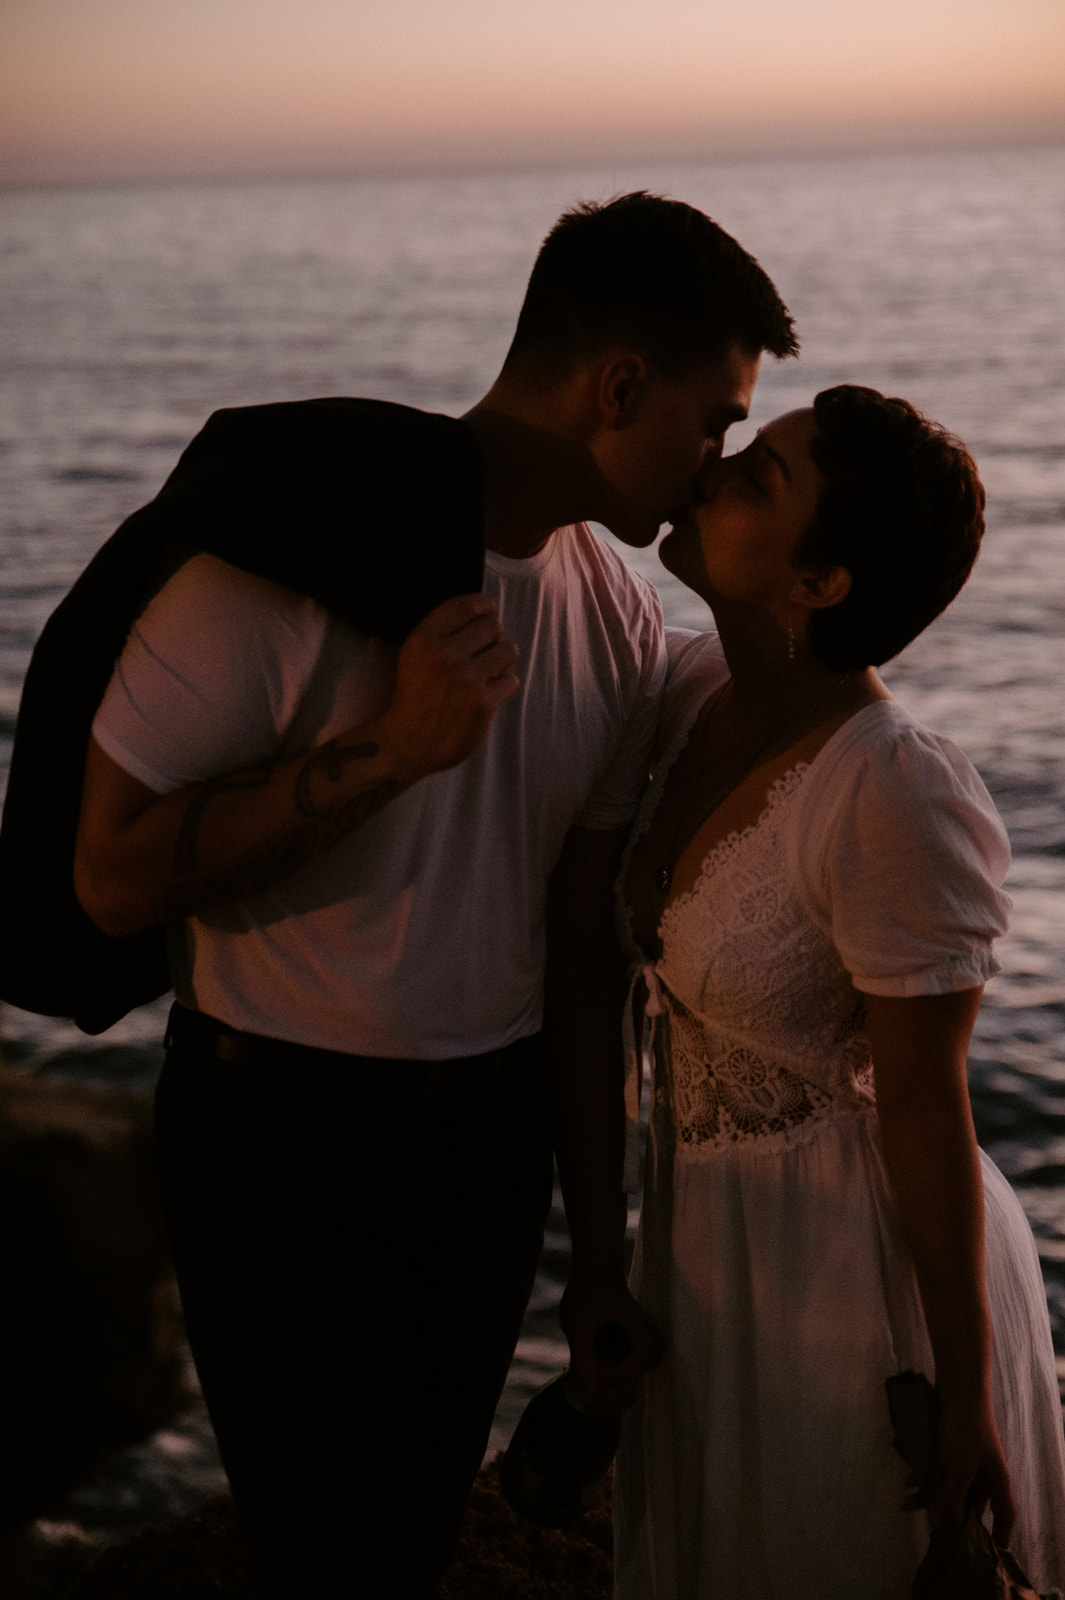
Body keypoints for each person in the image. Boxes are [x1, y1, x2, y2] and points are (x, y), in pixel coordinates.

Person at [70, 194, 797, 1597]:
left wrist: (600, 1256)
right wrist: (390, 752)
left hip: (488, 1141)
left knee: (404, 1547)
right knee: (332, 1557)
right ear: (618, 388)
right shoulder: (280, 570)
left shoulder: (619, 615)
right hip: (280, 1129)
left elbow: (583, 957)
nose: (716, 465)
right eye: (713, 423)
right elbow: (108, 878)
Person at [613, 385, 1065, 1597]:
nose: (710, 473)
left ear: (819, 582)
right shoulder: (691, 696)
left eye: (756, 479)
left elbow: (925, 1105)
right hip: (712, 1260)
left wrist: (964, 1391)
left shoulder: (891, 787)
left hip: (853, 1282)